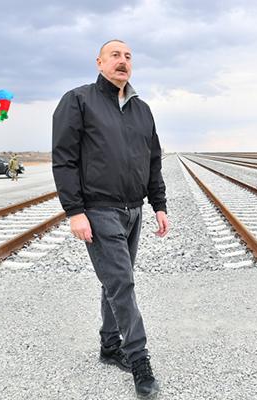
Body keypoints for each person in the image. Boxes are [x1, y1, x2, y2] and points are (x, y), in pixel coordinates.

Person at [52, 39, 169, 399]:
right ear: (99, 62)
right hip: (99, 209)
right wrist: (75, 211)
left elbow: (153, 160)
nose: (123, 61)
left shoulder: (142, 109)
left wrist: (159, 204)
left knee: (115, 282)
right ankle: (139, 359)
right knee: (122, 283)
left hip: (133, 209)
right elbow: (64, 159)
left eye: (128, 56)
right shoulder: (79, 100)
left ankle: (109, 344)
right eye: (115, 55)